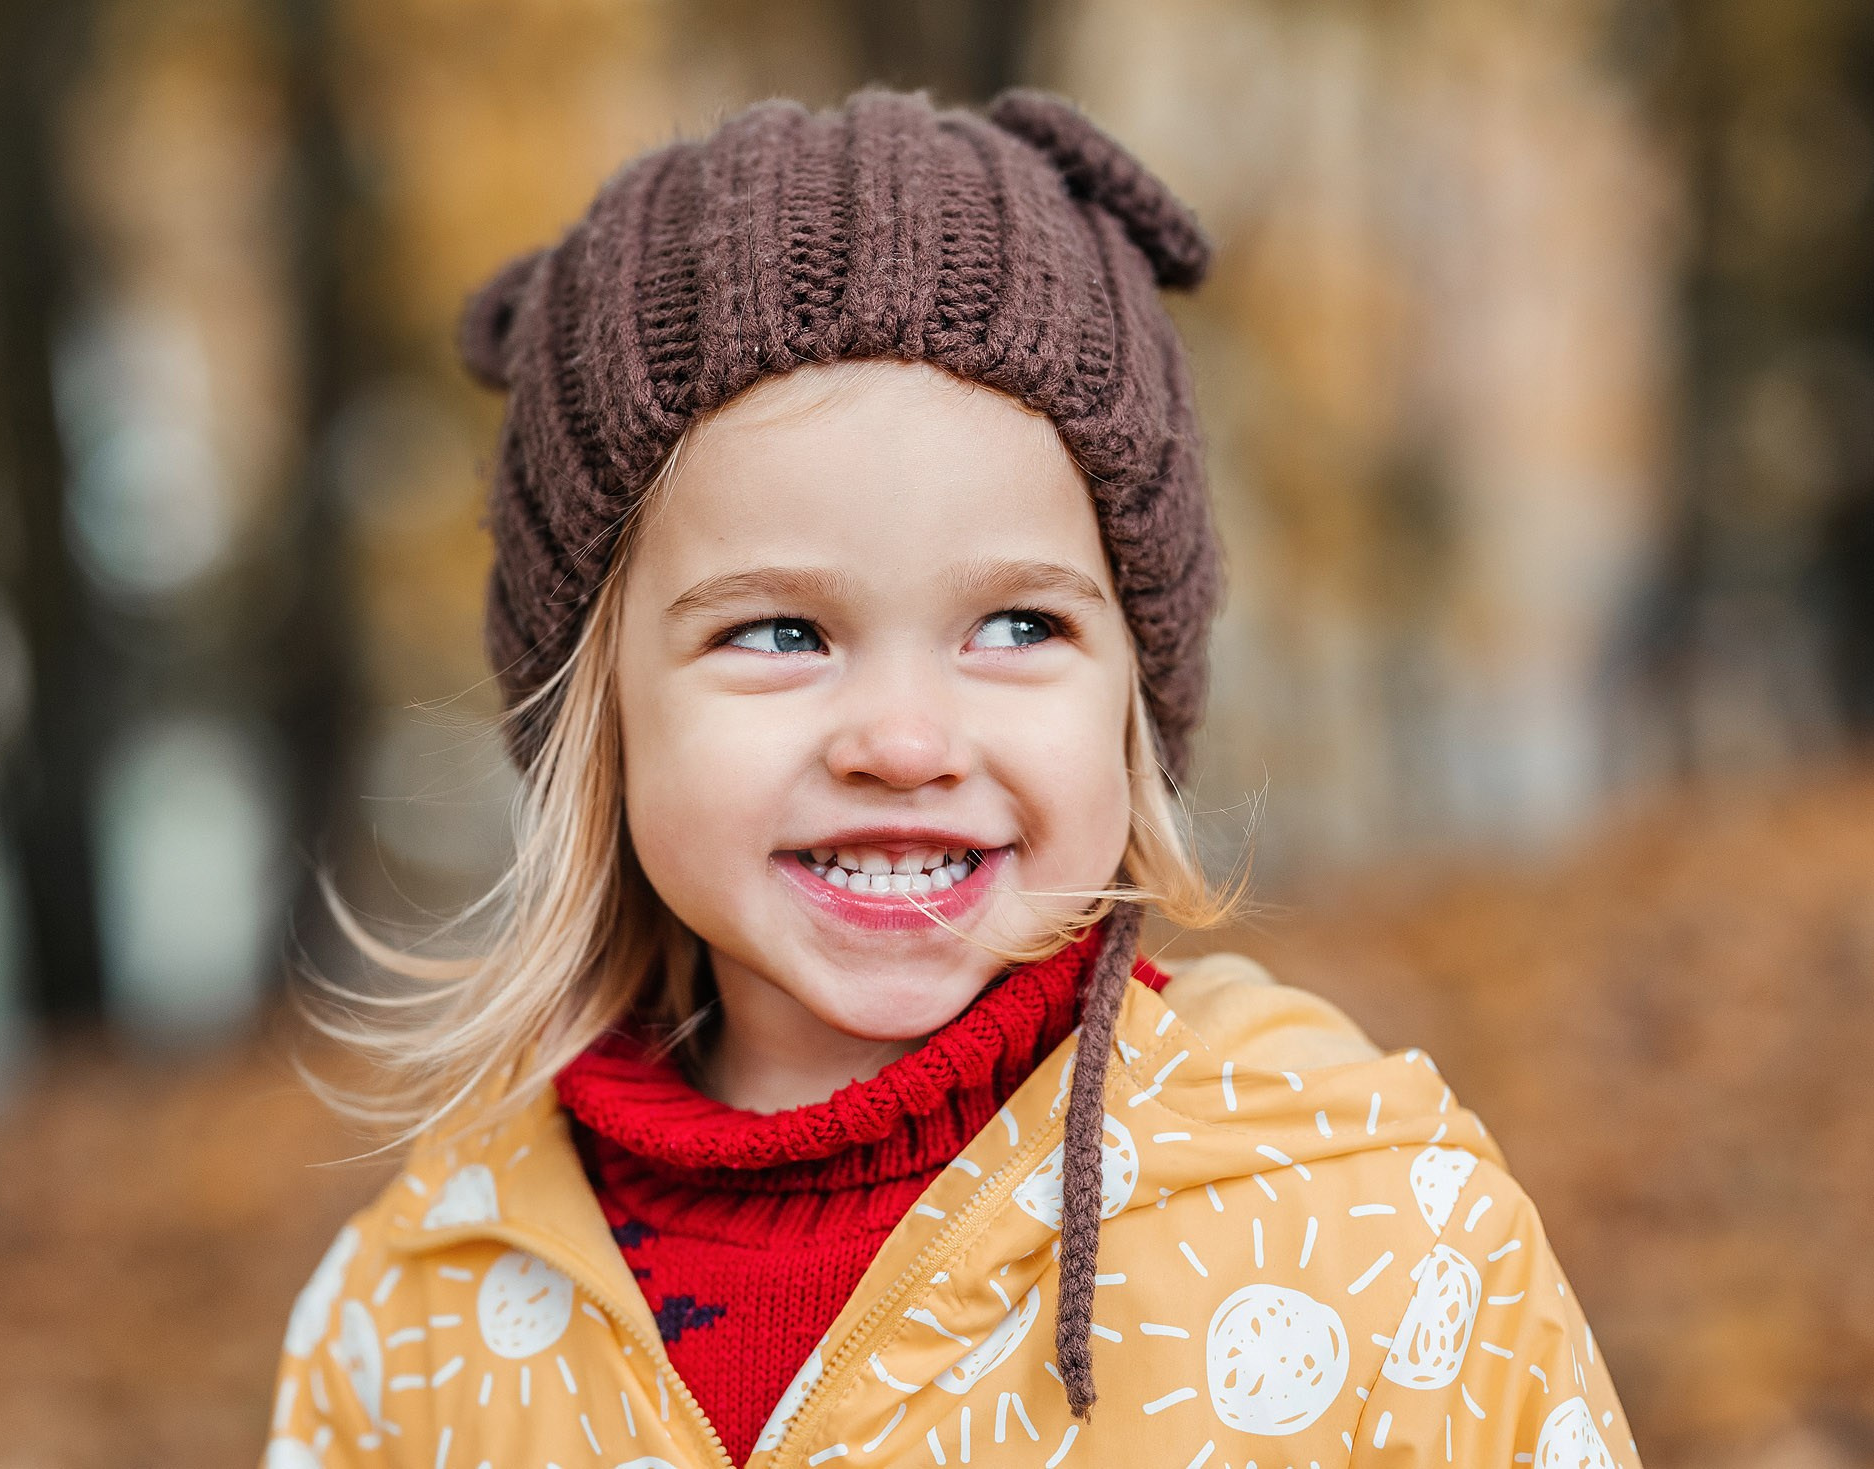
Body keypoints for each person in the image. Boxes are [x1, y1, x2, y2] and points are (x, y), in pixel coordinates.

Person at [263, 86, 1640, 1469]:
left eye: (1019, 625)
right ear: (595, 706)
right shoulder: (416, 1317)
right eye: (781, 632)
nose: (906, 741)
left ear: (1133, 688)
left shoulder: (1372, 1230)